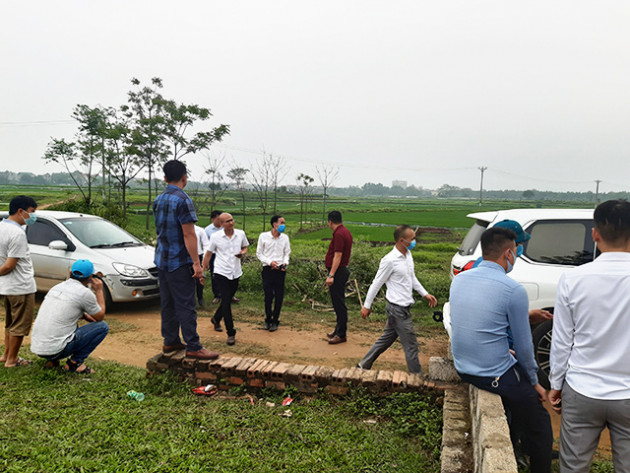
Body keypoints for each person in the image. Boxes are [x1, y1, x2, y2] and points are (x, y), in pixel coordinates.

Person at [449, 227, 553, 473]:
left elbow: (475, 324)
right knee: (541, 422)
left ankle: (519, 444)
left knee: (522, 395)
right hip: (490, 374)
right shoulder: (512, 289)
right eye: (517, 250)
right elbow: (525, 346)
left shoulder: (461, 278)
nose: (516, 255)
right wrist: (535, 382)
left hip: (463, 365)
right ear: (508, 253)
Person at [549, 199, 630, 473]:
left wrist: (555, 383)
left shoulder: (573, 279)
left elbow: (562, 340)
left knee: (573, 466)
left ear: (595, 234)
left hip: (582, 389)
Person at [153, 160, 219, 360]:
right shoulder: (183, 200)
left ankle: (170, 341)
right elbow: (189, 235)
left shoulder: (158, 199)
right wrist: (197, 265)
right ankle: (193, 345)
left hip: (162, 261)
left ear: (165, 178)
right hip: (179, 262)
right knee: (185, 304)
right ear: (185, 178)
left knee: (168, 303)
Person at [357, 225, 437, 374]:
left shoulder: (408, 255)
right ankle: (417, 377)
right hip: (397, 310)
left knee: (386, 339)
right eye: (412, 239)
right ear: (401, 240)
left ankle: (363, 365)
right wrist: (367, 305)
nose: (414, 241)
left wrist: (424, 294)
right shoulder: (390, 260)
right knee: (411, 345)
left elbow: (411, 278)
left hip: (402, 308)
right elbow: (377, 283)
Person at [30, 260, 108, 374]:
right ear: (90, 277)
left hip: (38, 347)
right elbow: (100, 317)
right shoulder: (84, 293)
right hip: (56, 349)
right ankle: (75, 364)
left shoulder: (57, 287)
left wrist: (84, 316)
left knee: (65, 323)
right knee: (102, 327)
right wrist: (99, 291)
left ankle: (52, 361)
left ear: (70, 272)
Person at [472, 219, 553, 324]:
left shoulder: (481, 265)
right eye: (518, 244)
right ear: (508, 249)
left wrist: (527, 315)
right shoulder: (506, 286)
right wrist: (524, 318)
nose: (520, 248)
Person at [0, 195, 38, 368]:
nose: (33, 216)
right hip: (20, 286)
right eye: (31, 212)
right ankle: (12, 360)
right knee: (20, 325)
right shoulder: (17, 233)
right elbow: (9, 265)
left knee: (10, 323)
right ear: (20, 211)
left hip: (6, 286)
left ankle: (6, 355)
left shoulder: (1, 227)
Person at [202, 213, 249, 345]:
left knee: (228, 298)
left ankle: (216, 319)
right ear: (221, 224)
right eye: (227, 221)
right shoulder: (216, 237)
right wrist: (202, 268)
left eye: (232, 220)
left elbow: (245, 247)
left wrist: (243, 253)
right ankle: (231, 333)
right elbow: (209, 253)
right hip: (221, 272)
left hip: (235, 272)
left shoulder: (240, 234)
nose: (231, 223)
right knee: (227, 302)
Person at [256, 215, 291, 331]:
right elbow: (259, 254)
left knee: (279, 296)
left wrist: (285, 262)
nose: (283, 225)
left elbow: (287, 253)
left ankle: (275, 320)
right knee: (268, 296)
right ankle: (268, 319)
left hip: (280, 270)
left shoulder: (285, 238)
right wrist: (269, 262)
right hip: (268, 269)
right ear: (274, 224)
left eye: (284, 223)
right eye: (281, 223)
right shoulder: (263, 236)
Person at [325, 210, 353, 344]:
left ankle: (341, 334)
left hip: (338, 272)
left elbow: (338, 255)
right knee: (337, 303)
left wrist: (331, 275)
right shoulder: (344, 231)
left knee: (339, 304)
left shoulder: (339, 234)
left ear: (330, 221)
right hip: (341, 271)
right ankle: (338, 330)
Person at [204, 210, 223, 304]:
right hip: (213, 255)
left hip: (225, 255)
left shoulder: (225, 228)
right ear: (213, 219)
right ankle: (217, 295)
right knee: (214, 275)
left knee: (228, 274)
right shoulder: (207, 230)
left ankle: (230, 295)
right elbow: (206, 246)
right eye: (218, 219)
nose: (220, 221)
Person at [194, 224, 211, 307]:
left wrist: (205, 258)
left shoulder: (200, 230)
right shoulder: (179, 229)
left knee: (200, 278)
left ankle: (200, 297)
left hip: (198, 256)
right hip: (184, 257)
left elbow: (206, 244)